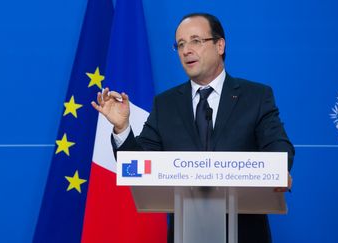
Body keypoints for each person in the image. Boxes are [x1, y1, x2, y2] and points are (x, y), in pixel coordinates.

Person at [92, 12, 294, 243]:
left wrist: (277, 170)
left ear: (220, 45)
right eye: (180, 44)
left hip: (245, 232)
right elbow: (138, 167)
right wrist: (122, 128)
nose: (186, 50)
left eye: (196, 41)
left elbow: (279, 146)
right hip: (185, 233)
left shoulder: (256, 96)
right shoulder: (166, 104)